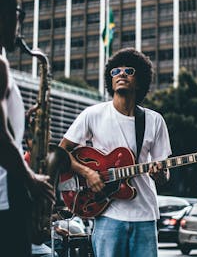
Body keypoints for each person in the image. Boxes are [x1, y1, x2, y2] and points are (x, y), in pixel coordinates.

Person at [59, 47, 172, 257]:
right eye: (115, 71)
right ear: (110, 80)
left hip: (145, 216)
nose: (121, 74)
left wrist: (160, 174)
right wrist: (87, 173)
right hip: (107, 214)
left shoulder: (154, 120)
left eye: (129, 71)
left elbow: (164, 174)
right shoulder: (92, 114)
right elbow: (60, 153)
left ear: (140, 81)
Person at [0, 0, 55, 257]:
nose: (18, 26)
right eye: (18, 15)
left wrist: (20, 116)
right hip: (5, 200)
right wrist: (31, 179)